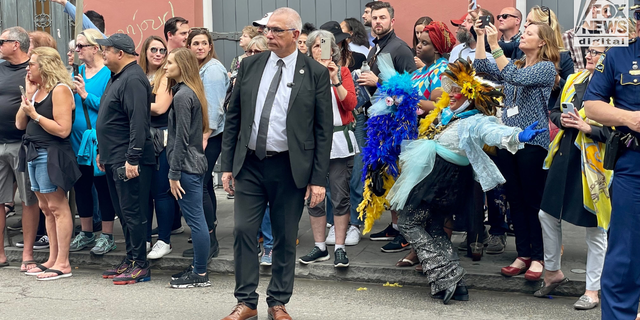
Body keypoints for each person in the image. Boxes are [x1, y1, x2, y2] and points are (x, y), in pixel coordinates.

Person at [390, 57, 545, 304]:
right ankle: (456, 282)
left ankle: (443, 273)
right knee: (432, 227)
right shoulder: (450, 115)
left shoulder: (474, 120)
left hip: (442, 182)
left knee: (408, 222)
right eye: (450, 91)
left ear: (470, 97)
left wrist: (517, 135)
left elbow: (492, 131)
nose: (451, 95)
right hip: (437, 178)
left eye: (457, 92)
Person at [220, 7, 332, 320]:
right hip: (251, 164)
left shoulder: (315, 73)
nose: (268, 35)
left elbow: (323, 130)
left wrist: (319, 179)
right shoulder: (250, 65)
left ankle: (277, 302)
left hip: (289, 167)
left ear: (296, 35)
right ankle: (246, 302)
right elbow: (234, 117)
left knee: (284, 236)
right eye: (268, 30)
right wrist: (226, 165)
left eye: (276, 31)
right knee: (243, 230)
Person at [474, 21, 559, 282]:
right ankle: (523, 254)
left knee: (533, 202)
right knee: (516, 200)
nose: (523, 37)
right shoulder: (516, 63)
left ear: (542, 42)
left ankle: (539, 257)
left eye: (529, 34)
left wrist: (495, 46)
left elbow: (514, 77)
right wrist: (480, 38)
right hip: (509, 141)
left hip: (534, 142)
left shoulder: (546, 68)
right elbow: (481, 67)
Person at [535, 44, 609, 310]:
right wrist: (562, 119)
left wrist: (589, 127)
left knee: (596, 227)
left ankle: (592, 290)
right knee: (547, 214)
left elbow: (620, 132)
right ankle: (553, 272)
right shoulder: (574, 79)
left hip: (595, 165)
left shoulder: (617, 86)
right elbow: (554, 110)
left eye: (597, 51)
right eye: (589, 50)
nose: (589, 55)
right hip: (565, 157)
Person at [583, 2, 640, 318]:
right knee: (624, 256)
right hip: (634, 163)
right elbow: (592, 105)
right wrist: (631, 119)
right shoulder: (621, 54)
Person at [15, 46, 80, 280]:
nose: (27, 67)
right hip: (33, 152)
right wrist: (28, 100)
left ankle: (63, 263)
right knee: (45, 208)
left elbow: (63, 130)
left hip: (51, 153)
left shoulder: (60, 90)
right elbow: (19, 125)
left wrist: (36, 115)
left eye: (31, 64)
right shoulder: (37, 90)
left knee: (57, 208)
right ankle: (52, 259)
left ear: (45, 66)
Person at [396, 21, 456, 269]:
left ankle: (438, 250)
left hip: (435, 140)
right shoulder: (419, 72)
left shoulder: (443, 71)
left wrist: (411, 102)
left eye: (424, 43)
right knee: (416, 196)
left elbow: (443, 106)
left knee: (435, 198)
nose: (418, 47)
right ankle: (418, 247)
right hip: (415, 138)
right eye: (418, 42)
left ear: (438, 47)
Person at [95, 33, 154, 285]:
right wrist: (102, 152)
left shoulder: (133, 79)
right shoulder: (116, 76)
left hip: (129, 160)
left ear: (121, 53)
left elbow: (138, 122)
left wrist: (133, 158)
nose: (103, 54)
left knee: (134, 212)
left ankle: (140, 264)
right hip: (113, 157)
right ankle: (130, 259)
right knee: (123, 212)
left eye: (106, 50)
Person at [357, 1, 416, 254]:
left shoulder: (399, 48)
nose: (377, 22)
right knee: (387, 175)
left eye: (383, 18)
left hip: (399, 126)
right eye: (374, 18)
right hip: (380, 123)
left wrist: (377, 80)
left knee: (400, 176)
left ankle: (405, 232)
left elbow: (412, 90)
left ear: (392, 21)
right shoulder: (377, 46)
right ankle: (394, 225)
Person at [298, 29, 358, 268]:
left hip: (338, 142)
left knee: (340, 196)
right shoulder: (303, 74)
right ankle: (320, 246)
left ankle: (340, 247)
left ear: (333, 49)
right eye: (316, 46)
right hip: (311, 144)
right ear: (310, 49)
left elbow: (351, 103)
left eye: (325, 46)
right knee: (314, 197)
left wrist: (335, 79)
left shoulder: (342, 72)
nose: (321, 50)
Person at [162, 48, 211, 289]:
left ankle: (200, 274)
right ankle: (198, 267)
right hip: (194, 163)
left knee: (196, 221)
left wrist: (173, 173)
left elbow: (181, 138)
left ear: (182, 66)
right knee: (197, 218)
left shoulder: (183, 96)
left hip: (186, 167)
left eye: (170, 62)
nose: (165, 66)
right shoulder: (189, 91)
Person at [67, 29, 117, 255]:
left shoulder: (108, 74)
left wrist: (85, 94)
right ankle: (86, 233)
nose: (76, 50)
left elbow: (109, 107)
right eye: (76, 47)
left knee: (103, 188)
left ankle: (107, 235)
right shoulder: (76, 72)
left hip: (98, 140)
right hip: (76, 139)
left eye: (80, 46)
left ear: (94, 48)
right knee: (81, 187)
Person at [0, 27, 41, 271]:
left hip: (22, 143)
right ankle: (1, 255)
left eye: (2, 41)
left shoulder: (33, 69)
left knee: (28, 199)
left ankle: (27, 255)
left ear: (16, 44)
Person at [185, 28, 228, 260]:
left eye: (204, 43)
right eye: (195, 43)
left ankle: (210, 239)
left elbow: (214, 107)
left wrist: (204, 135)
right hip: (200, 134)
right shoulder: (198, 69)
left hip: (208, 136)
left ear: (210, 46)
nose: (200, 47)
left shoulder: (212, 70)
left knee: (199, 186)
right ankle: (206, 239)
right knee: (204, 185)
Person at [138, 35, 180, 260]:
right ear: (145, 51)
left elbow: (161, 107)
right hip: (141, 138)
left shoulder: (167, 76)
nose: (158, 54)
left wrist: (132, 102)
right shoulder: (139, 74)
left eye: (162, 50)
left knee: (161, 191)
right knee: (143, 192)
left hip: (162, 138)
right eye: (153, 49)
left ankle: (164, 240)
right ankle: (144, 238)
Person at [510, 6, 574, 111]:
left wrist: (556, 79)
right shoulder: (520, 53)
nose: (525, 25)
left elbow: (571, 91)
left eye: (530, 22)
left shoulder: (562, 57)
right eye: (526, 21)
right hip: (520, 112)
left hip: (549, 114)